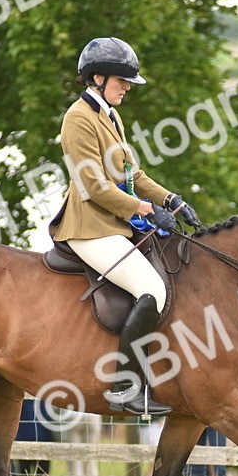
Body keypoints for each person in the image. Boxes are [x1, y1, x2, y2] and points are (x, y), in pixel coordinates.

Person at [48, 37, 201, 416]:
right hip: (89, 227)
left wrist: (171, 200)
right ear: (97, 77)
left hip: (114, 224)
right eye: (122, 80)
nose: (127, 87)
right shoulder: (77, 119)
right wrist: (147, 210)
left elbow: (131, 174)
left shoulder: (110, 115)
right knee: (152, 288)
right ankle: (124, 385)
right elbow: (94, 186)